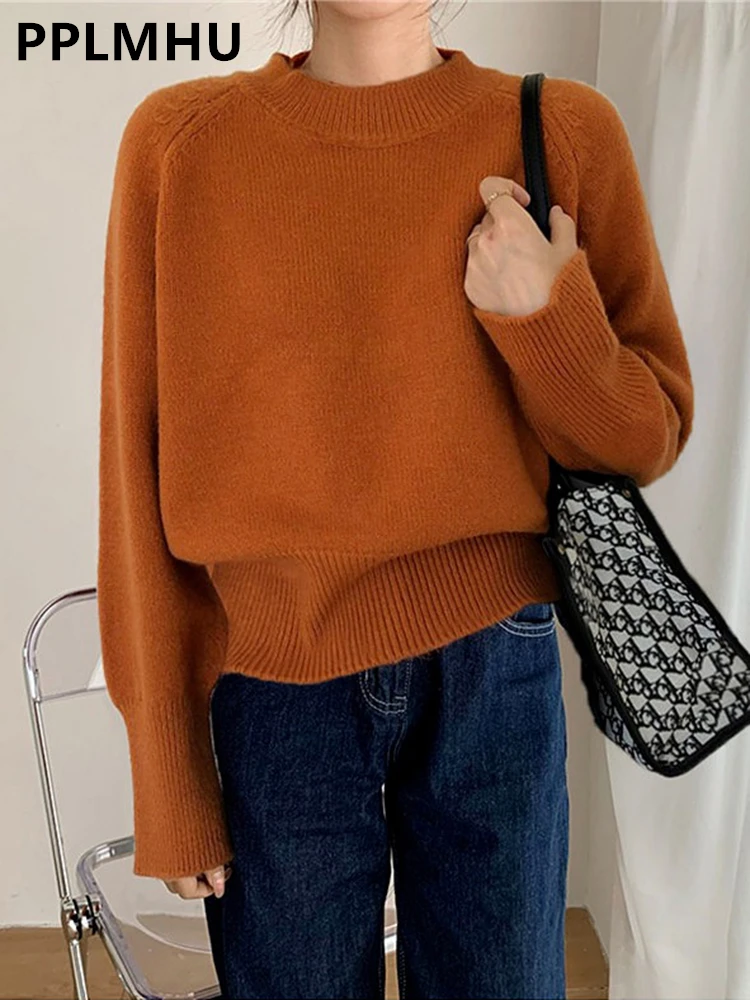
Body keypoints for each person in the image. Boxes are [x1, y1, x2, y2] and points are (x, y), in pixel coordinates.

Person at [96, 0, 694, 996]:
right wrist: (167, 766)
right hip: (274, 686)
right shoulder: (180, 143)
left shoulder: (561, 131)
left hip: (495, 665)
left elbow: (644, 436)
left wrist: (544, 316)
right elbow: (133, 465)